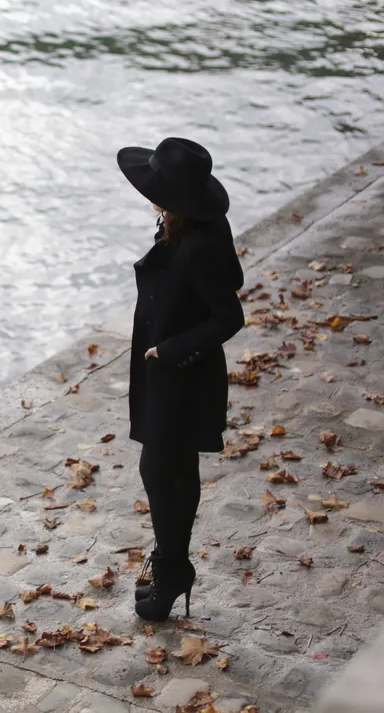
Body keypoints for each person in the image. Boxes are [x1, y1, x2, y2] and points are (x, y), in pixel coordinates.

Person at [116, 137, 245, 622]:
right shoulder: (185, 226)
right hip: (165, 368)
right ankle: (173, 564)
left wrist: (167, 351)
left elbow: (229, 318)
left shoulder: (200, 246)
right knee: (173, 467)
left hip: (181, 373)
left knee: (158, 469)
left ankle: (172, 566)